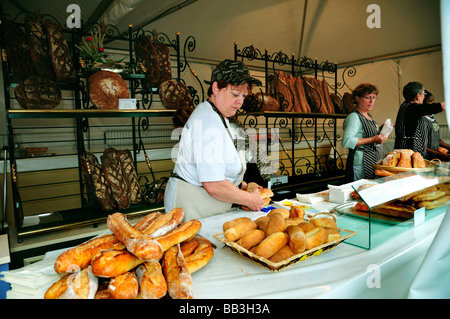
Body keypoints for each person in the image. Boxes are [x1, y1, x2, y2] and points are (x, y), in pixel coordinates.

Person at [164, 59, 265, 219]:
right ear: (216, 87)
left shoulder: (219, 116)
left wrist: (242, 186)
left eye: (244, 96)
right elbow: (214, 185)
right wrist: (248, 199)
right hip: (192, 206)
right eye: (235, 94)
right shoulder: (207, 121)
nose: (240, 101)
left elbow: (219, 167)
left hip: (204, 205)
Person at [342, 83, 388, 181]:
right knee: (360, 192)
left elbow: (365, 134)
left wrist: (381, 130)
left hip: (373, 161)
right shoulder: (354, 117)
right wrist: (372, 139)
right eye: (368, 98)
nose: (371, 101)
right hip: (361, 163)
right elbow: (347, 141)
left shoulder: (369, 116)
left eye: (374, 97)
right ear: (357, 98)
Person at [394, 82, 445, 155]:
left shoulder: (405, 106)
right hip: (408, 154)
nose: (424, 97)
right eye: (423, 94)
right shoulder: (412, 108)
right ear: (418, 96)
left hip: (405, 152)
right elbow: (437, 107)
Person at [422, 90, 450, 160]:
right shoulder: (421, 119)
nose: (433, 103)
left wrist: (449, 147)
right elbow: (419, 144)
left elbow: (437, 140)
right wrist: (436, 153)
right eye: (431, 101)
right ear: (423, 103)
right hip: (425, 157)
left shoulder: (432, 117)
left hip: (435, 156)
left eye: (433, 100)